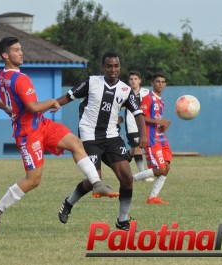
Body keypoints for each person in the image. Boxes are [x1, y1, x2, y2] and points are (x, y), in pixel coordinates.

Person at [0, 37, 119, 234]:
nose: (21, 53)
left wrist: (4, 107)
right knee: (33, 180)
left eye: (21, 49)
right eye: (16, 50)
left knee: (75, 143)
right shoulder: (20, 79)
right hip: (28, 133)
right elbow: (33, 106)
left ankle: (97, 184)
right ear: (5, 55)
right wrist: (53, 102)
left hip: (41, 124)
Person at [56, 51, 147, 231]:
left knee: (127, 178)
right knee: (93, 180)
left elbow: (139, 114)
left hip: (112, 137)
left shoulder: (126, 90)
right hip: (89, 136)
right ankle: (68, 203)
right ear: (103, 67)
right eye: (109, 66)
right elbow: (68, 97)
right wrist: (50, 106)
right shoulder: (92, 82)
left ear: (119, 67)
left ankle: (122, 221)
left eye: (116, 66)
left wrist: (143, 136)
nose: (113, 69)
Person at [132, 73, 172, 204]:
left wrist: (162, 126)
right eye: (158, 81)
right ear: (152, 84)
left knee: (166, 167)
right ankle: (130, 179)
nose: (160, 83)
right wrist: (158, 122)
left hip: (161, 137)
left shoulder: (161, 101)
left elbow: (156, 120)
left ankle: (153, 197)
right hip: (151, 138)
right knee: (160, 169)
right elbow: (141, 117)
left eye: (163, 81)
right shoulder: (148, 98)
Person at [124, 71, 153, 181]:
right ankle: (143, 174)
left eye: (135, 79)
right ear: (129, 81)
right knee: (137, 148)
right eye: (131, 79)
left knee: (134, 150)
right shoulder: (125, 93)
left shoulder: (146, 92)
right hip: (131, 125)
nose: (133, 81)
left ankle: (121, 160)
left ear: (139, 80)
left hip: (144, 124)